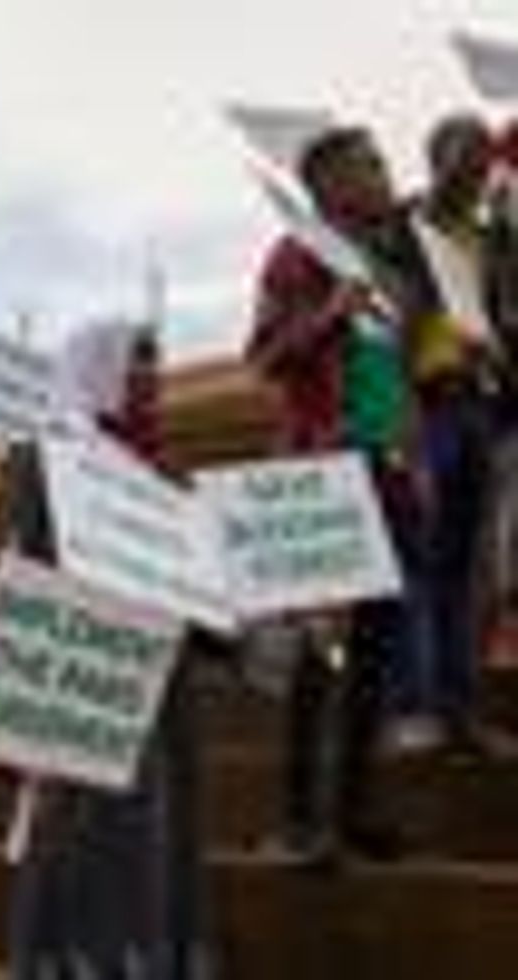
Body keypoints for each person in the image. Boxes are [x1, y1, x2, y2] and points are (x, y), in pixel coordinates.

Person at [9, 321, 207, 978]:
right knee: (84, 829)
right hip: (85, 670)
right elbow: (39, 562)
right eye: (136, 362)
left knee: (150, 832)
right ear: (100, 369)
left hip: (159, 678)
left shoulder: (161, 469)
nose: (150, 377)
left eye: (156, 363)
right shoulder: (50, 454)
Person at [248, 125, 424, 859]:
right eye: (370, 165)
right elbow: (261, 356)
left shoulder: (388, 263)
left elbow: (395, 365)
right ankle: (297, 821)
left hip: (388, 472)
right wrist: (330, 311)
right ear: (327, 187)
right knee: (320, 656)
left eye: (383, 162)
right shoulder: (296, 255)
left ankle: (354, 813)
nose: (386, 173)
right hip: (321, 474)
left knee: (377, 654)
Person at [411, 113, 500, 750]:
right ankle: (422, 706)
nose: (480, 163)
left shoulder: (493, 237)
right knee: (425, 557)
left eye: (487, 151)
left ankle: (462, 711)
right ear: (436, 159)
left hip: (480, 403)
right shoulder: (405, 228)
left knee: (471, 567)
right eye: (466, 151)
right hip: (423, 407)